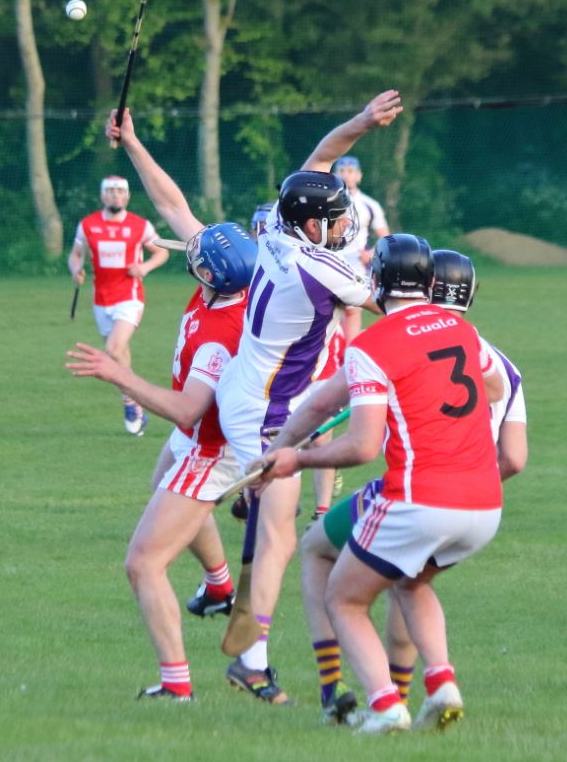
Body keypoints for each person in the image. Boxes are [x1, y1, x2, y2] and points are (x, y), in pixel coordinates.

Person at [108, 95, 399, 704]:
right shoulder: (323, 269)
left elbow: (316, 160)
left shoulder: (268, 231)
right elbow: (391, 307)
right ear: (314, 225)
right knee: (281, 536)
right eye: (338, 218)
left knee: (205, 492)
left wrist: (361, 124)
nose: (346, 223)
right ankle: (253, 658)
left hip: (251, 392)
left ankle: (222, 592)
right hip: (266, 413)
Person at [258, 234, 506, 734]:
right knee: (409, 581)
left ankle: (384, 703)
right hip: (484, 505)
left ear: (375, 283)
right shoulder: (462, 330)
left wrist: (297, 459)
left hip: (419, 500)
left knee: (344, 599)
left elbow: (362, 447)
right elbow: (495, 385)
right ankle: (442, 685)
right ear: (431, 281)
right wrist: (283, 443)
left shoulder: (371, 345)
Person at [68, 217, 255, 701]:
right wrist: (131, 142)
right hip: (197, 436)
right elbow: (173, 206)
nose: (192, 256)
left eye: (202, 260)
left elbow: (186, 408)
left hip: (211, 446)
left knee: (143, 563)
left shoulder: (219, 336)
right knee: (160, 481)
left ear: (212, 276)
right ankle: (219, 589)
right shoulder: (229, 287)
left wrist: (118, 375)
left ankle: (177, 686)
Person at [68, 175, 170, 435]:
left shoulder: (140, 226)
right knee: (120, 354)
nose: (115, 196)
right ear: (103, 196)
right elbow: (76, 254)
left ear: (127, 196)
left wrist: (144, 267)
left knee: (113, 348)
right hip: (101, 300)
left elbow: (162, 251)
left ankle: (129, 401)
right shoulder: (88, 225)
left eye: (119, 192)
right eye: (110, 192)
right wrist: (75, 269)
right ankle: (135, 403)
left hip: (129, 297)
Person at [333, 156, 390, 343]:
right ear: (335, 174)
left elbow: (385, 236)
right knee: (330, 307)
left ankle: (349, 351)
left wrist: (372, 253)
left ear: (359, 176)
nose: (346, 175)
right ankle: (337, 348)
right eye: (342, 171)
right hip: (331, 260)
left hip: (355, 262)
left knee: (352, 309)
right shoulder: (327, 201)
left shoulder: (369, 204)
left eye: (350, 171)